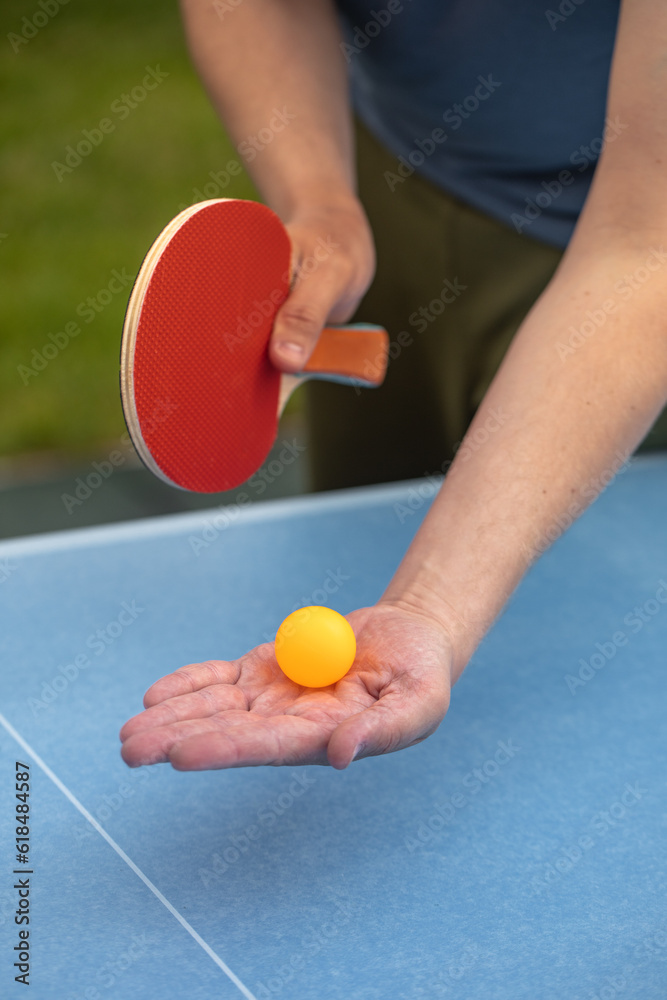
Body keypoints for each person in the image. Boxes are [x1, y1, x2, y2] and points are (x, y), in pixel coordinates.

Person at [119, 0, 667, 772]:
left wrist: (429, 609)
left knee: (614, 633)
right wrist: (317, 199)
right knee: (358, 525)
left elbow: (646, 245)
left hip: (634, 230)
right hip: (402, 169)